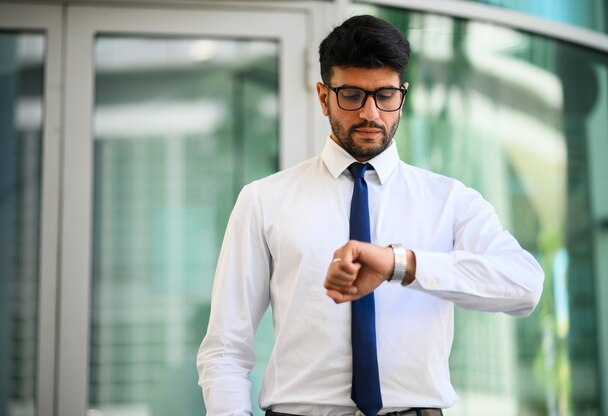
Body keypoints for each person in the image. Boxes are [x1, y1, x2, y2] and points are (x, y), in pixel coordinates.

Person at [197, 14, 544, 416]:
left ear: (403, 95)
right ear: (323, 96)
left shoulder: (450, 201)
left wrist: (401, 264)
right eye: (351, 95)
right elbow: (225, 346)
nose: (370, 113)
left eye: (385, 95)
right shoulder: (263, 200)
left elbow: (524, 287)